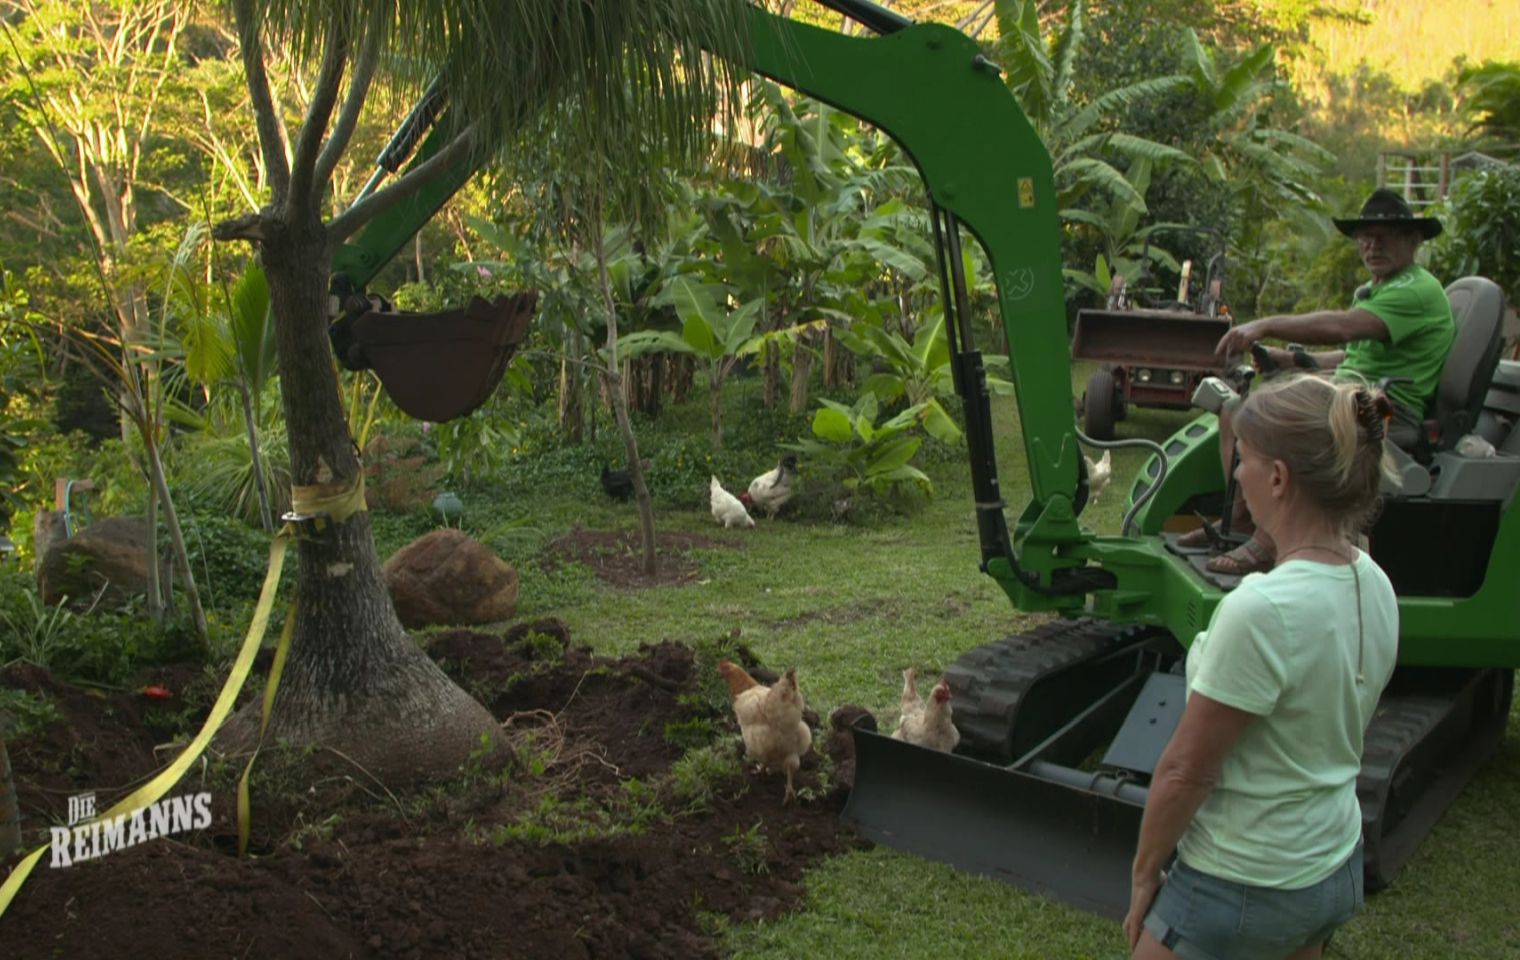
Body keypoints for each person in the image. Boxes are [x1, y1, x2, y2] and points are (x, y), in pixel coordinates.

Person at [1124, 374, 1401, 960]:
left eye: (1242, 460)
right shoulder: (1375, 584)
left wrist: (1146, 872)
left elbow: (1184, 772)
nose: (1238, 476)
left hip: (1244, 879)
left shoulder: (1260, 609)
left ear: (1277, 478)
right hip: (1333, 865)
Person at [1183, 188, 1453, 574]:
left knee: (1280, 426)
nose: (1373, 245)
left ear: (1413, 241)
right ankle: (1243, 520)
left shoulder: (1417, 291)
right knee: (1234, 410)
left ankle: (1268, 540)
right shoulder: (1381, 290)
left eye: (1386, 236)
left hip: (1387, 410)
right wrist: (1290, 358)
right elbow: (1353, 355)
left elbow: (1342, 328)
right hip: (1354, 394)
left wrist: (1265, 325)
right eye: (1366, 236)